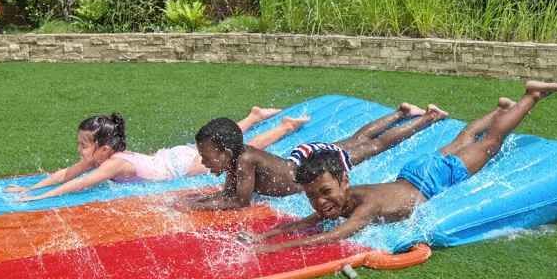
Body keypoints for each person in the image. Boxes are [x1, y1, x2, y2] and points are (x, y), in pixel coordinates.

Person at [245, 80, 557, 253]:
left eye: (325, 192)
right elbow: (308, 221)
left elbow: (331, 237)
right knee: (464, 139)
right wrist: (268, 235)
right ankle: (500, 110)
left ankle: (531, 95)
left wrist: (274, 249)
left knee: (488, 143)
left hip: (432, 179)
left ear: (344, 180)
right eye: (313, 196)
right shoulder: (341, 199)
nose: (320, 202)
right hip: (415, 175)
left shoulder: (365, 207)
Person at [5, 106, 307, 202]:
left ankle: (284, 127)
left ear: (104, 149)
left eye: (84, 145)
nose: (79, 151)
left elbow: (79, 182)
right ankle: (253, 116)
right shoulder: (112, 156)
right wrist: (32, 188)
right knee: (221, 140)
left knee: (233, 150)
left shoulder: (113, 164)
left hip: (180, 167)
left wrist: (42, 198)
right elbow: (68, 173)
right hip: (172, 155)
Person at [190, 102, 447, 211]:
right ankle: (401, 112)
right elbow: (229, 193)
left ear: (225, 153)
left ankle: (428, 117)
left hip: (312, 165)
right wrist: (201, 200)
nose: (203, 162)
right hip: (303, 159)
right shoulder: (237, 158)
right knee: (358, 139)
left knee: (373, 146)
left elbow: (239, 201)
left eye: (206, 157)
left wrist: (196, 206)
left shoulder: (244, 161)